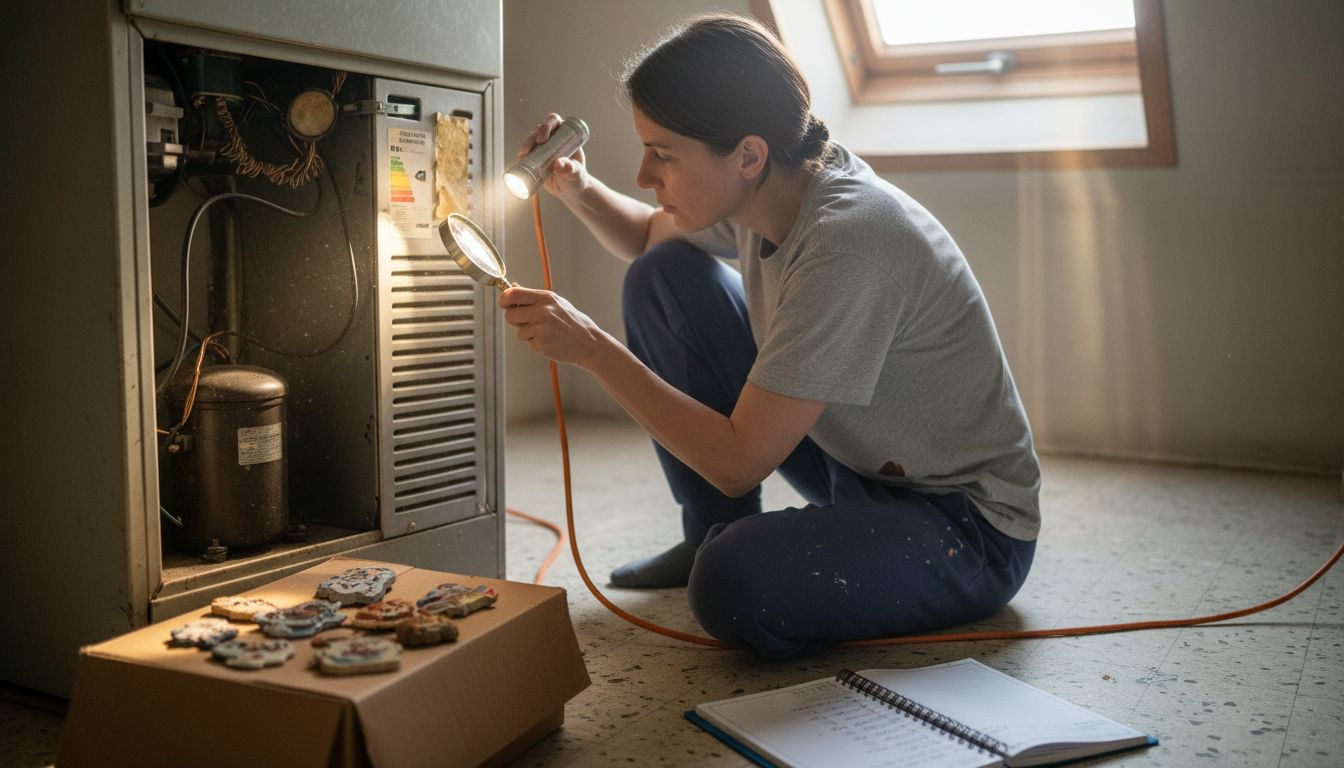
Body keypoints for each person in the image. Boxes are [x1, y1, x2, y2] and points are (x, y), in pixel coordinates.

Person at [501, 13, 1039, 659]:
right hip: (853, 459)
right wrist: (578, 188)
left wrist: (592, 349)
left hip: (963, 523)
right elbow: (648, 237)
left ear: (748, 155)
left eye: (663, 154)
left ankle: (733, 551)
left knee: (733, 583)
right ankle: (709, 533)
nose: (645, 175)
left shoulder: (849, 241)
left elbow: (737, 462)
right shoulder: (777, 186)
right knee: (662, 274)